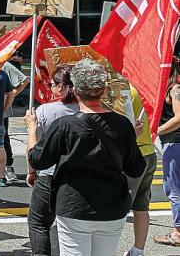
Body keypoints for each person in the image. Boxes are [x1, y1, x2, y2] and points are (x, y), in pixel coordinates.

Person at [25, 59, 145, 256]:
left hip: (75, 206)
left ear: (77, 90)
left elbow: (37, 160)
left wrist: (31, 129)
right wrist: (130, 138)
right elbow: (136, 168)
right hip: (112, 207)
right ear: (103, 89)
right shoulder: (122, 124)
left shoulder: (65, 125)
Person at [26, 66, 79, 256]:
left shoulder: (44, 111)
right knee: (73, 225)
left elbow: (33, 147)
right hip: (78, 176)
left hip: (49, 175)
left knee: (38, 222)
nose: (50, 87)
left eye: (52, 84)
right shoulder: (86, 108)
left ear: (60, 86)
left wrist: (31, 171)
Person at [123, 86, 157, 256]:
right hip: (149, 151)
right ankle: (138, 251)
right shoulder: (148, 86)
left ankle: (105, 248)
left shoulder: (123, 89)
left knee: (119, 207)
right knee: (141, 207)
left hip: (132, 153)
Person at [153, 59, 180, 247]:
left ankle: (178, 233)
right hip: (173, 143)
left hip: (175, 143)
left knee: (174, 189)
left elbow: (179, 117)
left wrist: (158, 129)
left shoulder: (174, 89)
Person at [1, 61, 29, 183]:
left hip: (1, 110)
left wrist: (11, 96)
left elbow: (24, 80)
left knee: (3, 138)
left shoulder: (4, 65)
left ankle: (8, 167)